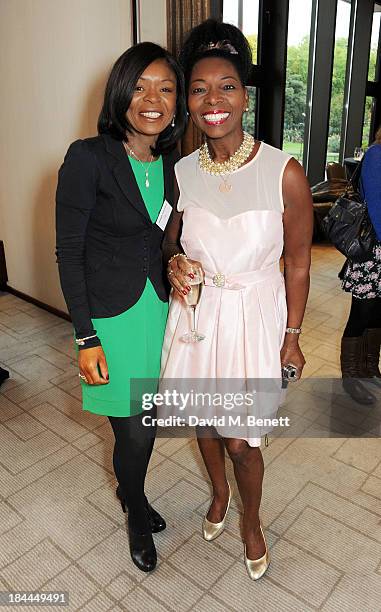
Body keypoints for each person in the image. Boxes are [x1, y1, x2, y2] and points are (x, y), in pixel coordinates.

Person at [161, 19, 313, 580]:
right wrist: (175, 263)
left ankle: (251, 519)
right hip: (198, 317)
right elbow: (171, 243)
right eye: (198, 89)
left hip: (253, 320)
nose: (212, 100)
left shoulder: (284, 172)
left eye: (225, 86)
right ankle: (218, 494)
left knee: (243, 440)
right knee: (204, 422)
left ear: (244, 96)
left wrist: (292, 336)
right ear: (189, 101)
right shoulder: (179, 173)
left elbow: (298, 263)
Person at [55, 42, 186, 573]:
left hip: (159, 310)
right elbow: (69, 251)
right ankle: (135, 507)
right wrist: (84, 338)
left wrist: (179, 262)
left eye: (167, 88)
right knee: (135, 428)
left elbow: (165, 237)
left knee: (148, 420)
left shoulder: (173, 164)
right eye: (140, 85)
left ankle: (133, 492)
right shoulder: (87, 157)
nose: (152, 99)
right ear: (120, 93)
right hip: (111, 315)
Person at [339, 128, 381, 404]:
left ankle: (368, 368)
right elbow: (377, 208)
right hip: (372, 250)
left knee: (379, 313)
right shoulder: (377, 155)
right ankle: (351, 377)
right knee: (361, 314)